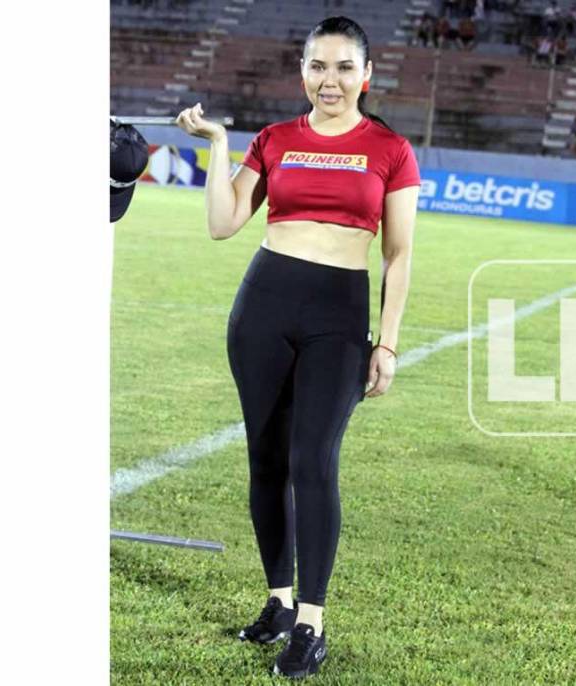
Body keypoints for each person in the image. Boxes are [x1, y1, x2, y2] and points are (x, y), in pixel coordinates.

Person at [174, 15, 420, 679]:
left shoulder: (391, 149)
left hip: (337, 318)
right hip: (262, 308)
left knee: (313, 459)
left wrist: (388, 343)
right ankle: (279, 603)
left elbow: (398, 255)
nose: (329, 80)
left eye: (343, 67)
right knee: (266, 458)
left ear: (366, 75)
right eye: (317, 66)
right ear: (302, 71)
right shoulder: (274, 139)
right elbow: (224, 223)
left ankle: (312, 622)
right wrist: (219, 145)